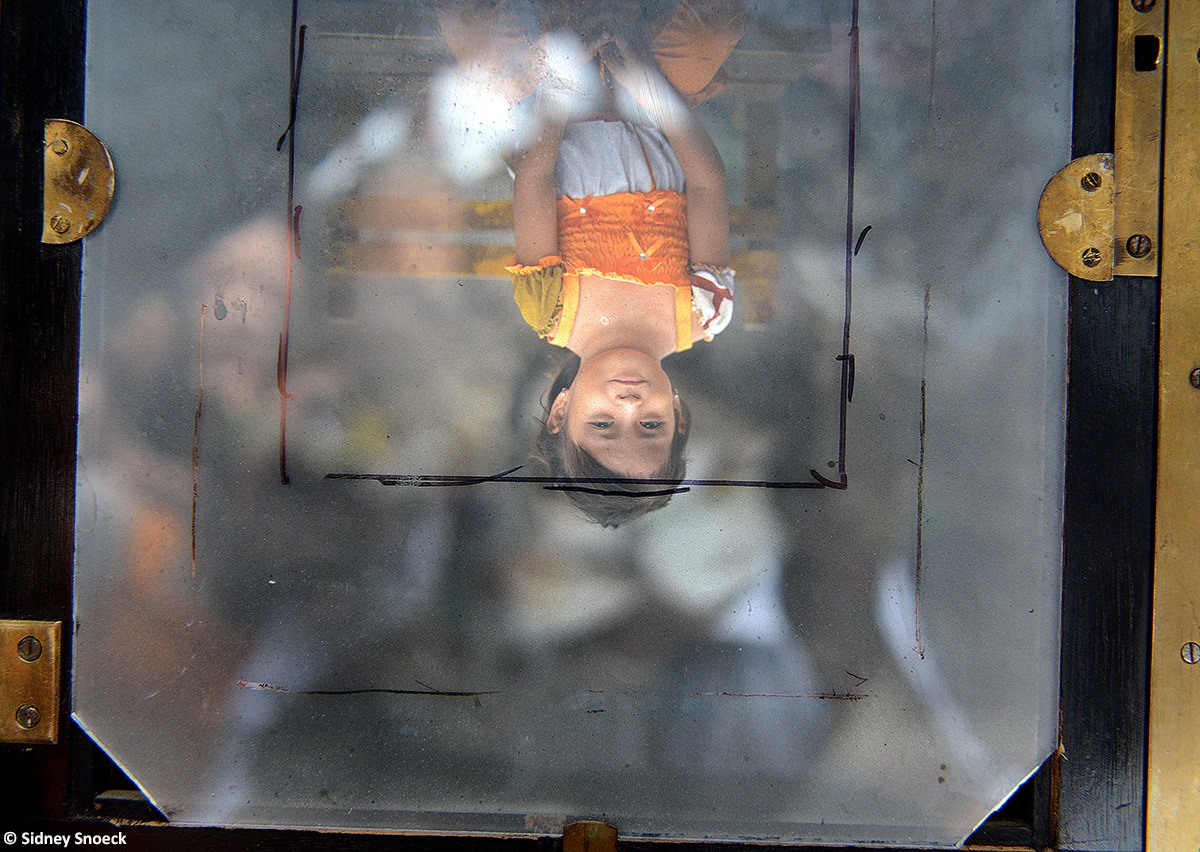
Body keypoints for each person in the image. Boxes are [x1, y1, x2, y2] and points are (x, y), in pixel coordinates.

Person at [439, 0, 743, 525]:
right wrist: (653, 90)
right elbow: (707, 183)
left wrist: (562, 79)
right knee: (705, 39)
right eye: (651, 426)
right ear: (677, 413)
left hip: (554, 106)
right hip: (653, 101)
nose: (629, 404)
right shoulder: (704, 312)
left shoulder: (551, 310)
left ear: (561, 411)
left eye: (602, 424)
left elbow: (535, 179)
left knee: (483, 46)